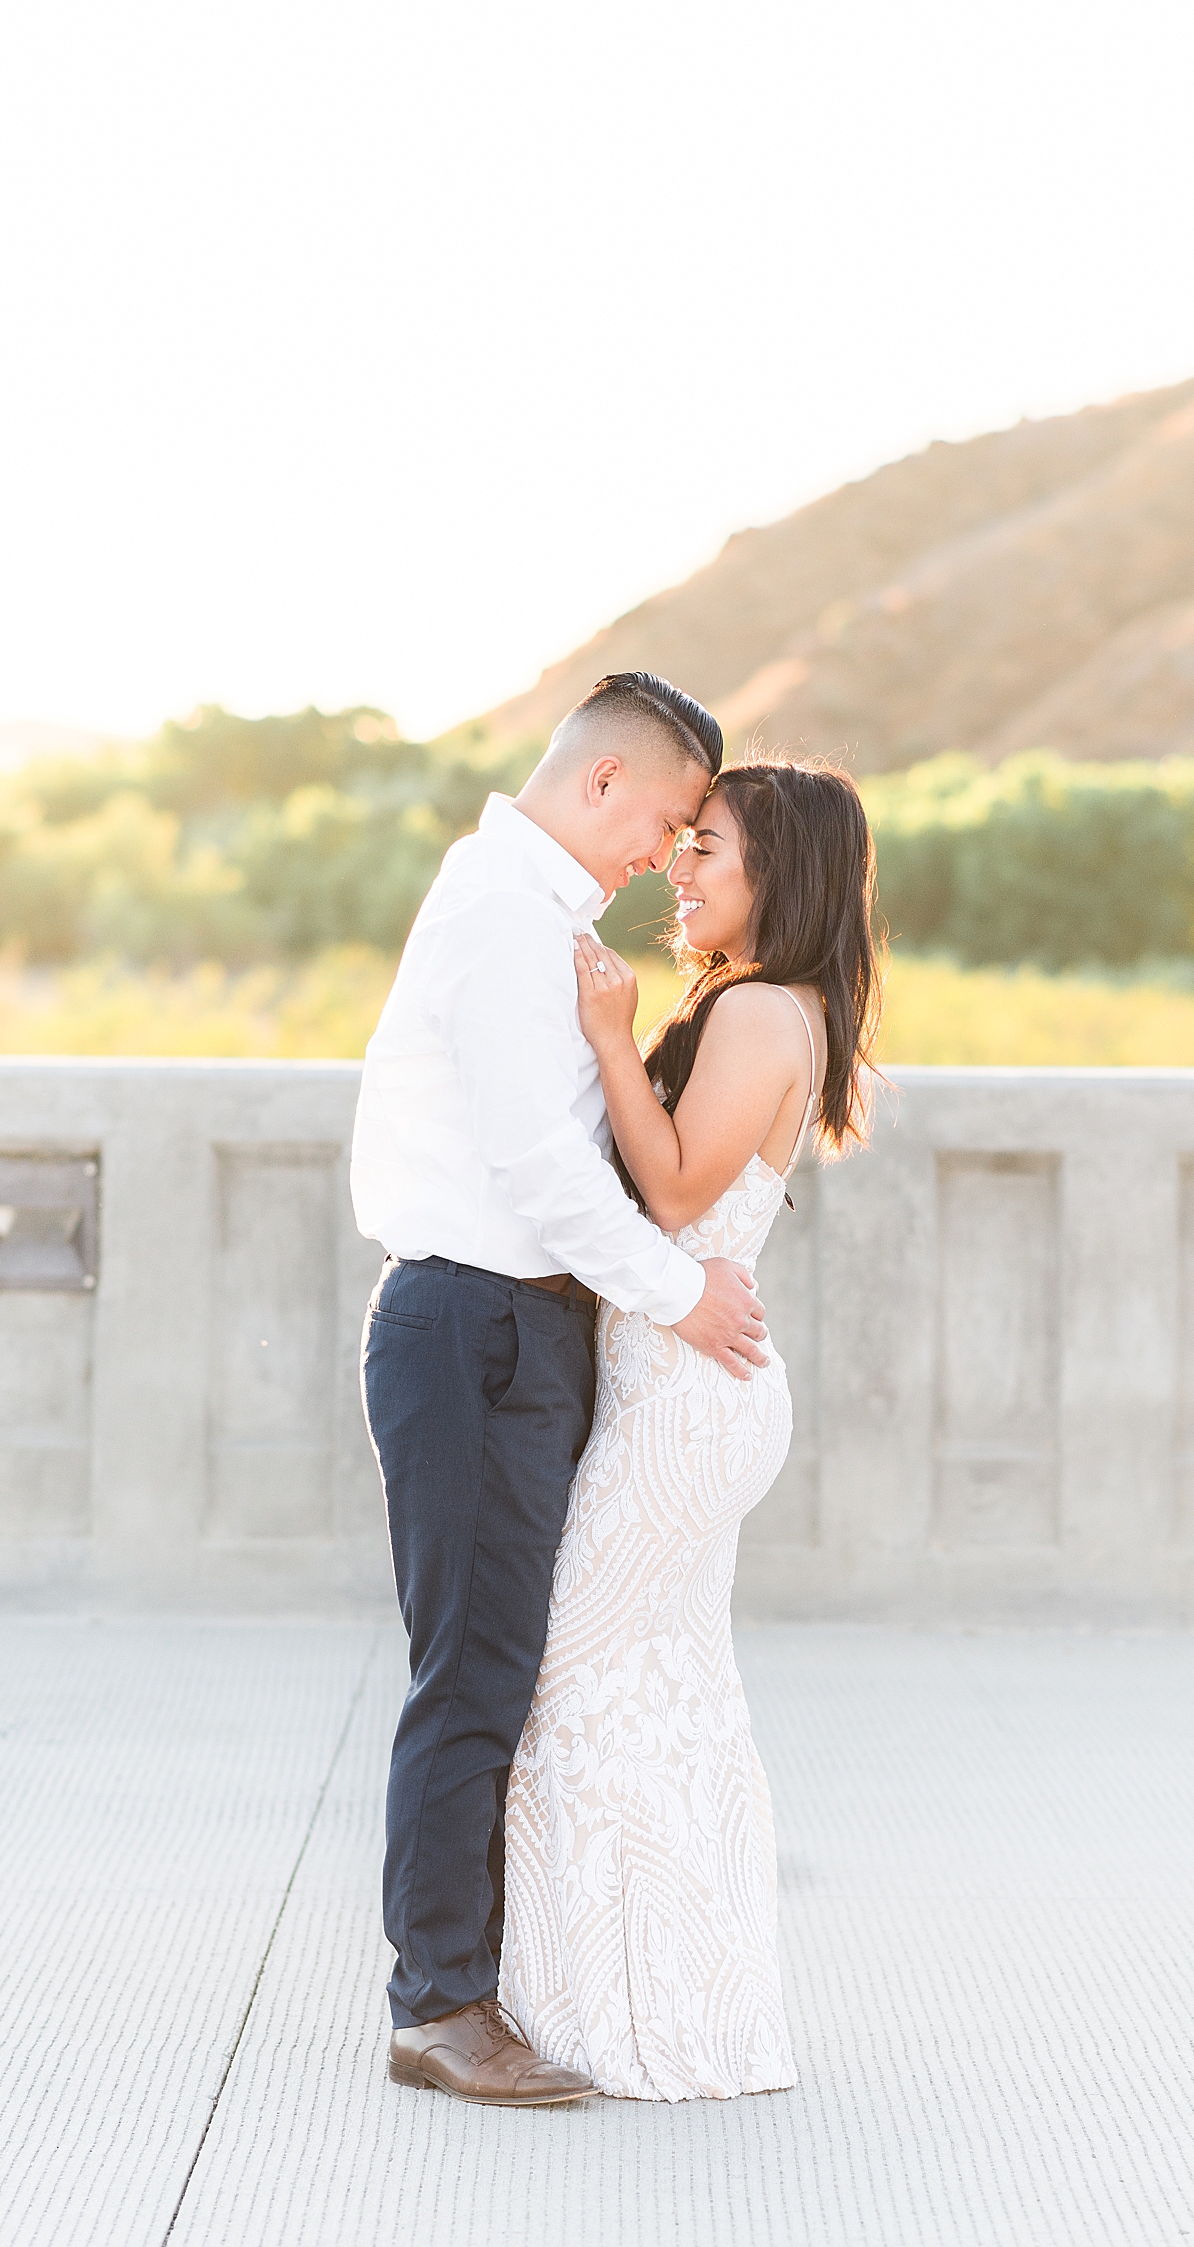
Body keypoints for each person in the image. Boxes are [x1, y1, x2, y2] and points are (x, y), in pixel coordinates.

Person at [351, 673, 774, 2108]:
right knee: (470, 1674)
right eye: (665, 819)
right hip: (473, 1323)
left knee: (505, 1668)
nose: (668, 851)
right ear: (603, 785)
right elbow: (539, 1171)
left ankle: (485, 1980)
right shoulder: (497, 915)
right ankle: (439, 2006)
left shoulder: (550, 928)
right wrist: (682, 1297)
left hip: (520, 1333)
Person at [499, 754, 881, 2100]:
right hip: (680, 1390)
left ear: (780, 877)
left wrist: (609, 1036)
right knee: (655, 1693)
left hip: (685, 1404)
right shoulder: (752, 1004)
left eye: (707, 847)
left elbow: (665, 1202)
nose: (681, 864)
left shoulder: (766, 1013)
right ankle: (664, 2005)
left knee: (583, 1684)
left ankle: (626, 2018)